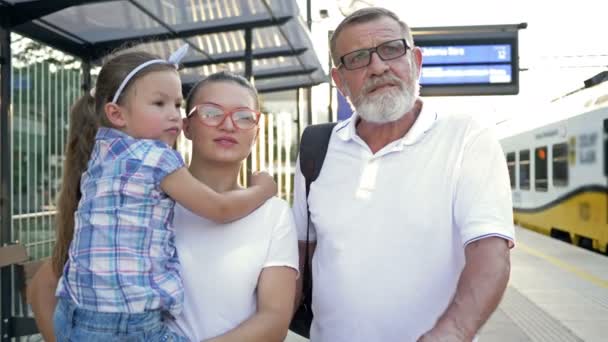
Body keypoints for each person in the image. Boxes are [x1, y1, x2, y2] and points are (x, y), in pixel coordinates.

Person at [292, 7, 515, 342]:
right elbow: (300, 254)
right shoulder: (316, 148)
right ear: (339, 81)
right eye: (358, 58)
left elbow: (490, 249)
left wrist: (453, 331)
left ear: (416, 61)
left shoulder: (466, 137)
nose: (378, 67)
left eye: (392, 50)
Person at [29, 71, 298, 342]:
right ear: (186, 126)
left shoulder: (272, 214)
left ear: (256, 131)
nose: (228, 125)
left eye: (243, 117)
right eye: (211, 112)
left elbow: (272, 321)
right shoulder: (140, 199)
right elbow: (44, 285)